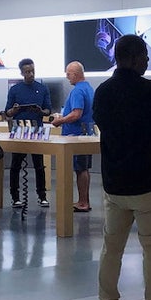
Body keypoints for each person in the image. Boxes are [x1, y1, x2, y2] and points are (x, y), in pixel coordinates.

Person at [93, 34, 151, 300]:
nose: (147, 60)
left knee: (111, 248)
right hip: (150, 185)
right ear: (133, 58)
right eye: (144, 55)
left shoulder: (103, 91)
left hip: (115, 185)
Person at [4, 58, 51, 208]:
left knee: (39, 165)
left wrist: (40, 111)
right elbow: (8, 112)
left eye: (32, 71)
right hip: (19, 129)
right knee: (15, 165)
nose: (30, 74)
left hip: (37, 129)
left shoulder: (43, 89)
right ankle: (15, 197)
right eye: (27, 72)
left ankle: (42, 196)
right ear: (22, 73)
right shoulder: (15, 90)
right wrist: (15, 110)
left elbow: (48, 110)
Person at [51, 61, 94, 212]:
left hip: (76, 136)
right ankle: (84, 200)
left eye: (68, 74)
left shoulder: (77, 91)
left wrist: (60, 121)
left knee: (81, 169)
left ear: (75, 74)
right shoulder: (88, 88)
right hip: (86, 134)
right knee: (84, 168)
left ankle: (83, 202)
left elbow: (76, 113)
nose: (67, 77)